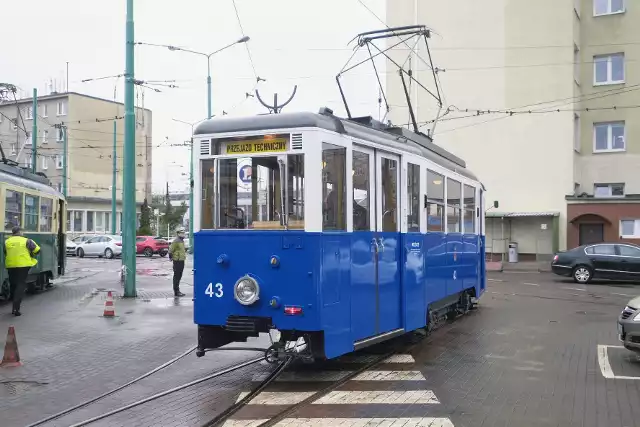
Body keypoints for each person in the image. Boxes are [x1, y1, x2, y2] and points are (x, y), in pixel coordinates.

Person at [4, 226, 40, 316]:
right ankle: (16, 308)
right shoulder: (27, 241)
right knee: (20, 285)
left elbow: (5, 252)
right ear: (20, 232)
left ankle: (13, 305)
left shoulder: (7, 241)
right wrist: (32, 253)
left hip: (10, 265)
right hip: (23, 266)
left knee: (13, 284)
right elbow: (37, 250)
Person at [168, 227, 186, 297]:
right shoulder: (176, 241)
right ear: (178, 233)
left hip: (181, 260)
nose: (183, 234)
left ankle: (177, 290)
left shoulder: (182, 241)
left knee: (179, 275)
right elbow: (171, 250)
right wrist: (170, 257)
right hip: (177, 261)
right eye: (182, 233)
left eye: (183, 233)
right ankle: (176, 291)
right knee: (177, 276)